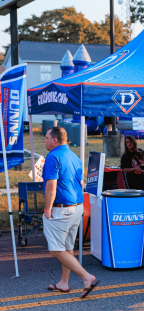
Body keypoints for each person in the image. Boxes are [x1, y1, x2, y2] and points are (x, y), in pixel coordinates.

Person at [42, 127, 99, 298]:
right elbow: (79, 182)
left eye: (46, 138)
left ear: (55, 140)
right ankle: (63, 283)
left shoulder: (53, 157)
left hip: (61, 210)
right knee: (67, 247)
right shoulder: (75, 157)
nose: (44, 140)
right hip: (77, 207)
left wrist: (47, 209)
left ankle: (86, 277)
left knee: (55, 249)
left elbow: (51, 186)